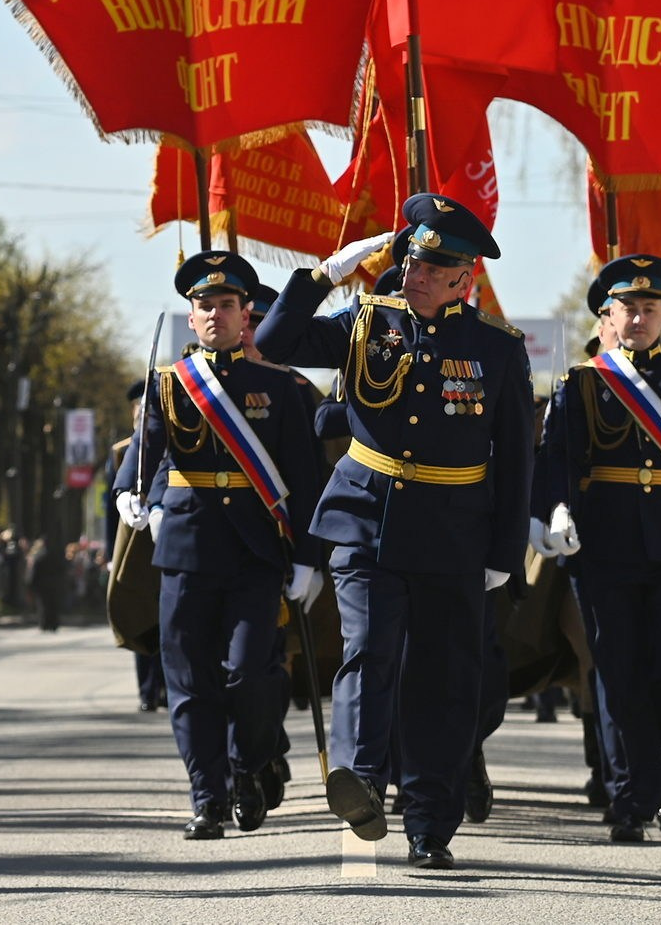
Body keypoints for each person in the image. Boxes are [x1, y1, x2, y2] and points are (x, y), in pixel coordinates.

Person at [256, 194, 532, 872]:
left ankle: (431, 822)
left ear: (464, 279)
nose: (414, 272)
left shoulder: (496, 350)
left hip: (454, 531)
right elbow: (272, 341)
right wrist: (323, 274)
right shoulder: (364, 323)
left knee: (444, 677)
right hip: (365, 517)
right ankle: (359, 777)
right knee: (370, 647)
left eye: (433, 267)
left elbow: (517, 456)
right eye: (411, 258)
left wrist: (504, 552)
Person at [534, 254, 661, 843]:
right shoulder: (582, 382)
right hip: (603, 547)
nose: (640, 318)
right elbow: (554, 462)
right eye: (629, 308)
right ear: (608, 315)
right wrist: (553, 511)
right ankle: (632, 797)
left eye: (651, 308)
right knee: (616, 672)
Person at [116, 251, 323, 840]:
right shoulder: (171, 385)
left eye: (226, 304)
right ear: (191, 317)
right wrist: (129, 497)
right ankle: (208, 798)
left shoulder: (279, 389)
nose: (214, 314)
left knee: (251, 674)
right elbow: (143, 456)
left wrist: (308, 557)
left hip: (257, 554)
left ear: (245, 313)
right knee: (189, 684)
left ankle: (247, 767)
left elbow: (304, 479)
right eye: (203, 305)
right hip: (184, 549)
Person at [109, 379, 166, 711]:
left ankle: (167, 688)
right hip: (134, 540)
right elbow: (110, 508)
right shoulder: (122, 452)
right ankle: (147, 691)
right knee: (142, 614)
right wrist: (109, 553)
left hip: (168, 532)